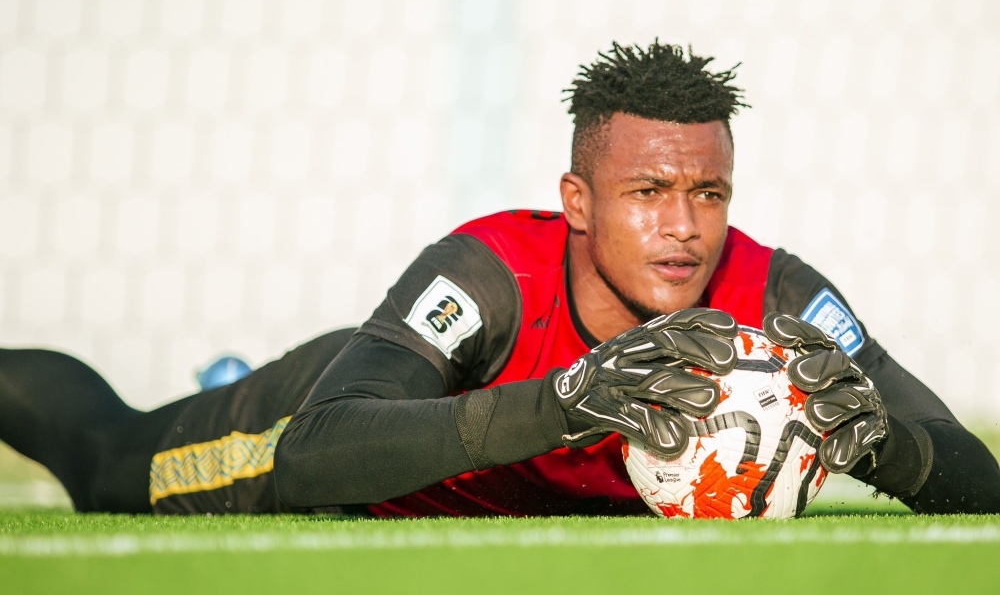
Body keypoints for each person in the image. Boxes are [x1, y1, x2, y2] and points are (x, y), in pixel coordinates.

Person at [1, 42, 996, 516]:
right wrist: (568, 401)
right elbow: (320, 449)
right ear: (575, 201)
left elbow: (974, 480)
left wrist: (883, 445)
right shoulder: (488, 272)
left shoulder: (777, 296)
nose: (683, 227)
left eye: (708, 191)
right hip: (332, 445)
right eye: (646, 191)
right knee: (98, 461)